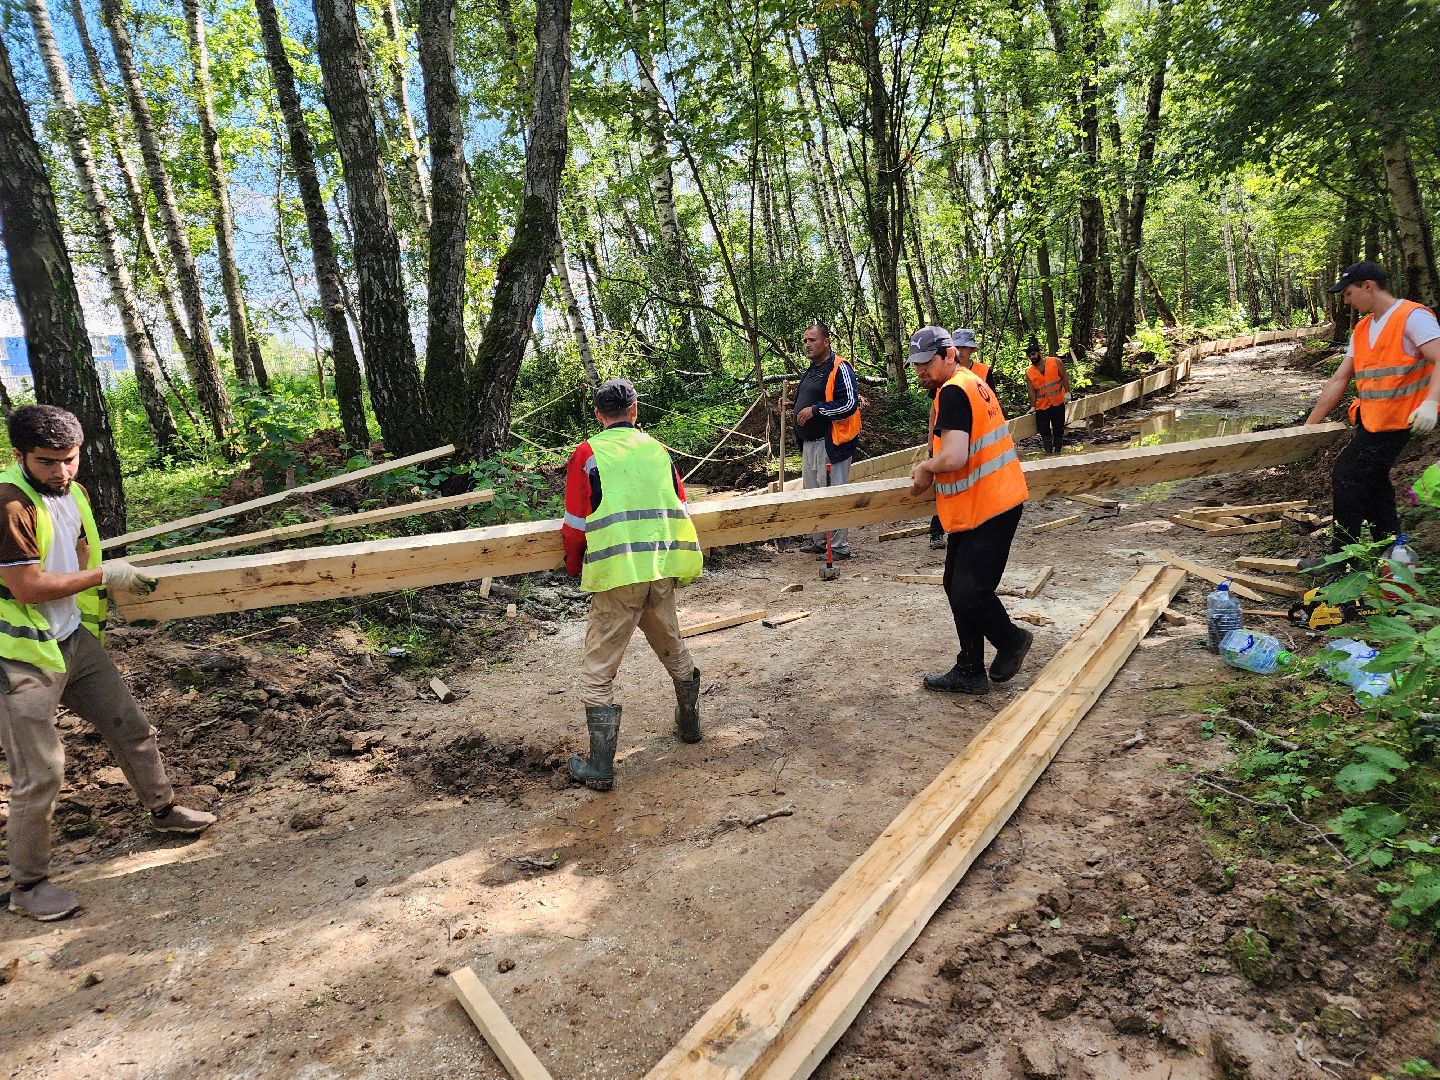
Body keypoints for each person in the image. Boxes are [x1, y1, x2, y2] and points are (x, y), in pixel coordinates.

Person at [0, 405, 215, 922]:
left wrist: (97, 579)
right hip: (20, 652)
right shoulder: (9, 505)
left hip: (71, 638)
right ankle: (28, 886)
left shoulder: (73, 493)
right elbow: (26, 587)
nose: (61, 472)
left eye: (69, 460)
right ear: (19, 455)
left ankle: (163, 812)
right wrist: (103, 578)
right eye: (47, 462)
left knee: (131, 726)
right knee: (40, 772)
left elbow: (75, 552)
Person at [561, 379, 704, 791]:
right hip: (660, 565)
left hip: (617, 575)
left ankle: (600, 766)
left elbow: (574, 527)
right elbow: (680, 503)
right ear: (635, 410)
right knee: (672, 645)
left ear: (597, 414)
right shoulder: (657, 450)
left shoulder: (588, 454)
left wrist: (574, 567)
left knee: (598, 670)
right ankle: (690, 725)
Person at [907, 328, 1033, 695]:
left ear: (949, 355)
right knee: (955, 585)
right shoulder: (969, 382)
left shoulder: (954, 391)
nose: (920, 372)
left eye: (926, 363)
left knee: (969, 591)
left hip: (990, 504)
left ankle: (1011, 640)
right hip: (979, 504)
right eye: (916, 365)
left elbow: (956, 456)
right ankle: (970, 669)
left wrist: (927, 469)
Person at [1304, 261, 1440, 560]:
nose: (1346, 300)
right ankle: (1390, 550)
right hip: (1371, 421)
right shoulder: (1363, 328)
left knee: (1347, 475)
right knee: (1375, 481)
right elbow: (1340, 378)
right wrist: (1309, 427)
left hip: (1401, 420)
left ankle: (1344, 562)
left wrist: (1431, 403)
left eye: (1349, 293)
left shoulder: (1412, 318)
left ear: (1369, 286)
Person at [788, 321, 861, 559]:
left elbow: (850, 404)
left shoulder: (839, 368)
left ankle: (839, 546)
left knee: (833, 493)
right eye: (805, 340)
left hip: (832, 443)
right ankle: (820, 541)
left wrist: (816, 411)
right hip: (809, 444)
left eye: (812, 340)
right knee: (814, 493)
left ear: (826, 342)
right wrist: (792, 407)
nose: (807, 345)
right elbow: (809, 400)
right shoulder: (811, 370)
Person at [932, 329, 998, 548]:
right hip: (949, 435)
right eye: (957, 347)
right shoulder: (942, 374)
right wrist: (931, 440)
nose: (961, 352)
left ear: (971, 350)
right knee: (945, 486)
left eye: (964, 348)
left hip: (974, 441)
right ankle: (938, 530)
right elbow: (935, 408)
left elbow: (992, 406)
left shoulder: (981, 373)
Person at [1025, 341, 1071, 454]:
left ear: (1039, 353)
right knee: (1044, 431)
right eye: (1030, 356)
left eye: (1034, 354)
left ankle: (1058, 451)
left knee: (1058, 429)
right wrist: (1032, 406)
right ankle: (1048, 452)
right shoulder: (1029, 372)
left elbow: (1064, 377)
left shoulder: (1055, 362)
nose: (1032, 357)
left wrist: (1068, 392)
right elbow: (1031, 390)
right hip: (1042, 406)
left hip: (1057, 402)